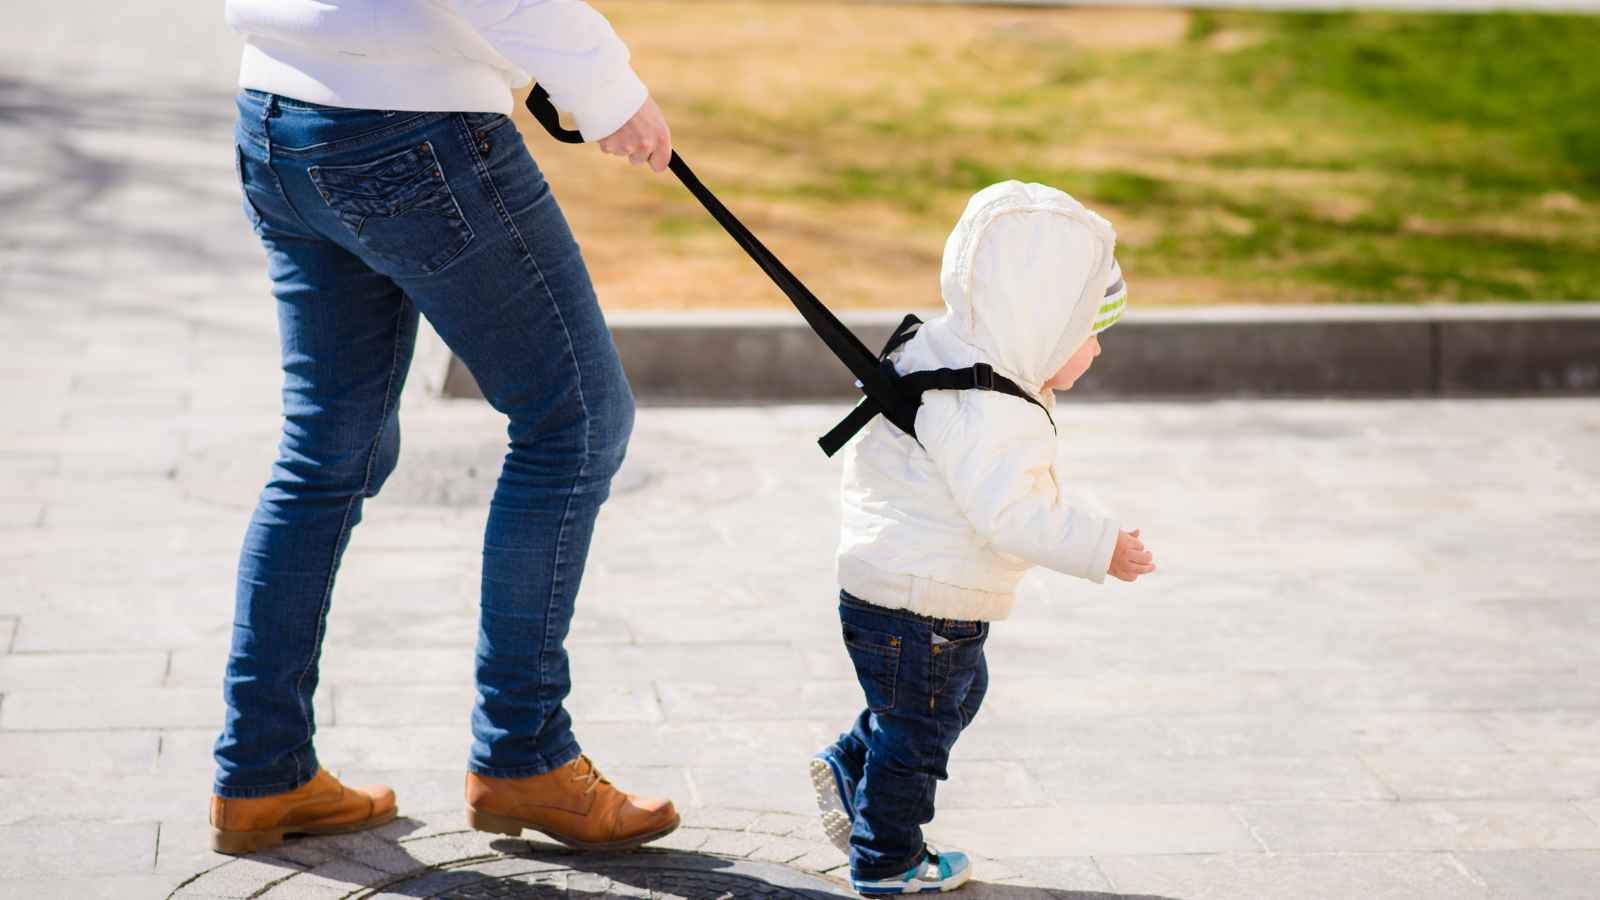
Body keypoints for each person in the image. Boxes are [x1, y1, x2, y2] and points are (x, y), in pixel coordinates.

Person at [209, 0, 679, 855]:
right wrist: (610, 92)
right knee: (573, 424)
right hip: (409, 127)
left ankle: (261, 772)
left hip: (278, 117)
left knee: (324, 456)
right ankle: (523, 753)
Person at [808, 181, 1156, 895]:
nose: (1095, 351)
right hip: (922, 602)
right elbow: (1013, 515)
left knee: (941, 702)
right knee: (921, 734)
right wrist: (1101, 547)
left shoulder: (942, 349)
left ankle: (854, 764)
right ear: (1041, 324)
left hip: (895, 587)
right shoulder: (992, 406)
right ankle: (887, 858)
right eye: (1088, 333)